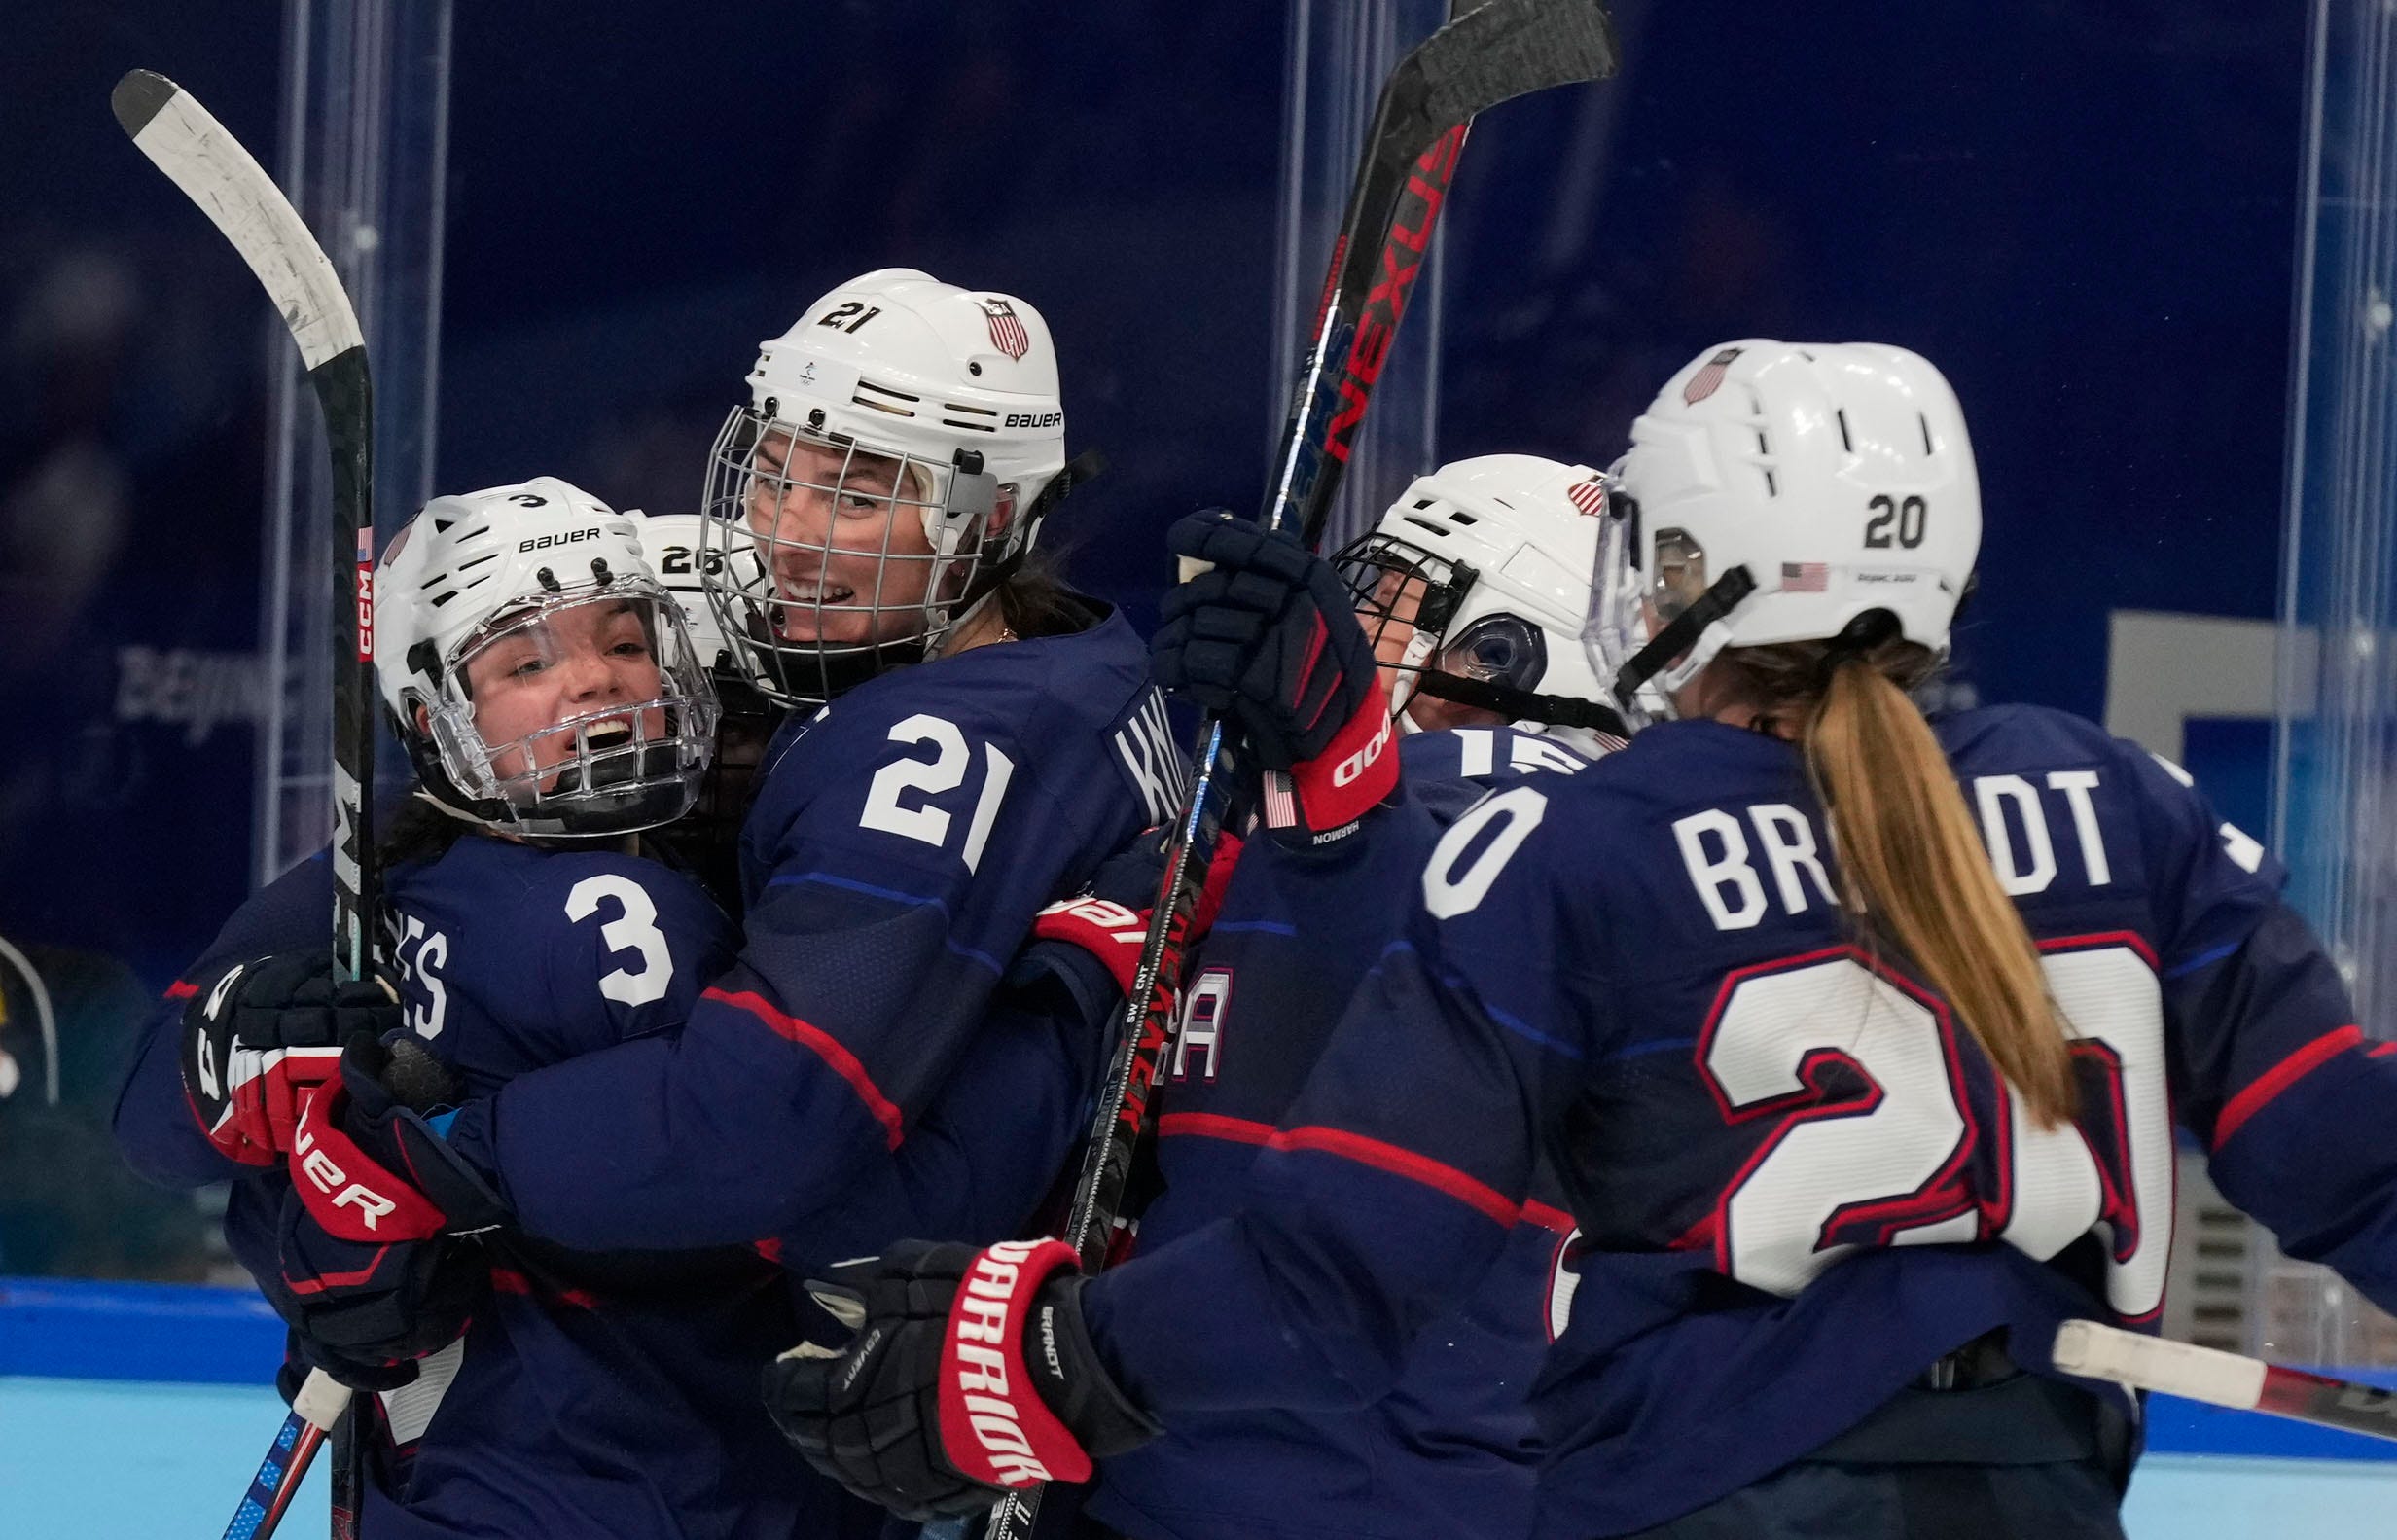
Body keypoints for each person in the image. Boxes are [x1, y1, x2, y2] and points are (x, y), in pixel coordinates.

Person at [764, 340, 2397, 1540]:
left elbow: (1341, 1268)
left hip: (1709, 1489)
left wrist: (1050, 1346)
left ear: (1680, 569)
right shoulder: (2121, 800)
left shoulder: (1579, 846)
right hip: (2042, 1483)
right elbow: (2344, 1152)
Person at [237, 270, 1177, 1373]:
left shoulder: (923, 739)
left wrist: (433, 1157)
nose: (788, 535)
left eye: (856, 494)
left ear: (998, 517)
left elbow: (779, 1142)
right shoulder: (1094, 665)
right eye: (774, 477)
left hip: (787, 1400)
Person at [117, 480, 841, 1537]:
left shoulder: (724, 893)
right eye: (526, 660)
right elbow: (158, 1123)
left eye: (629, 645)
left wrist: (354, 1214)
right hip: (585, 1486)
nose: (598, 684)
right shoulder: (413, 881)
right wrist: (270, 1126)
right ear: (437, 716)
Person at [1043, 455, 1625, 1540]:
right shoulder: (1364, 810)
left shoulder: (1514, 808)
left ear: (1503, 649)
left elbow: (1451, 894)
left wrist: (1338, 790)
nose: (1356, 625)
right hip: (1287, 1472)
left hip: (1335, 1485)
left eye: (1399, 599)